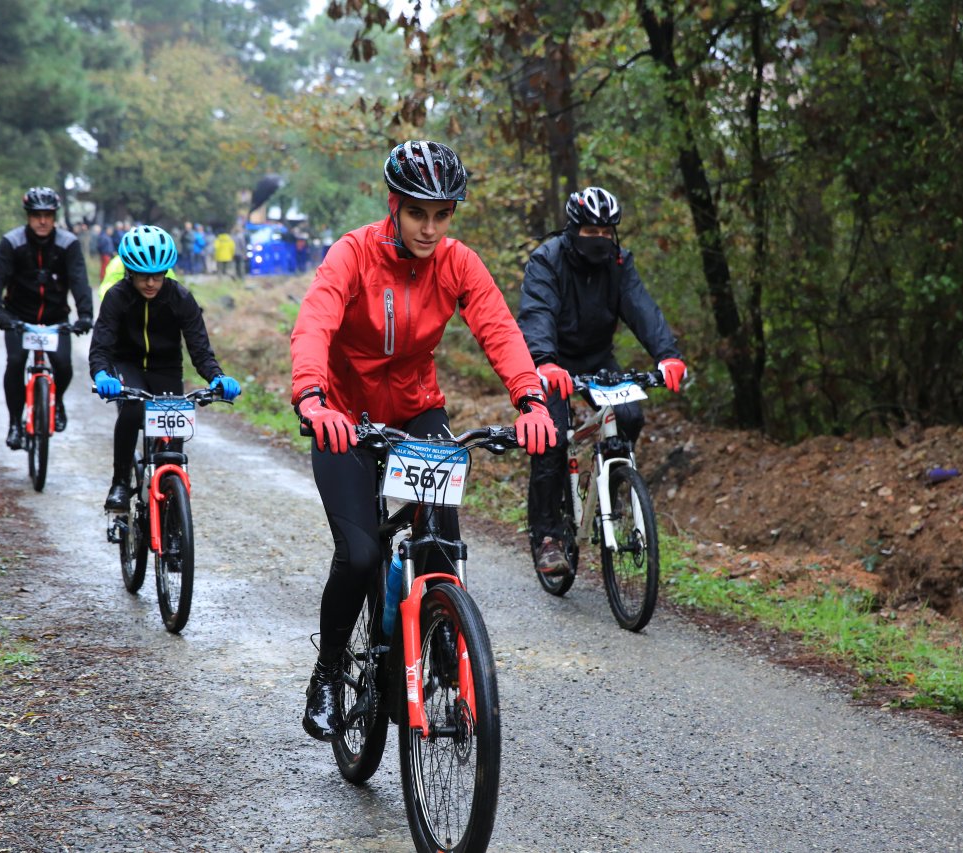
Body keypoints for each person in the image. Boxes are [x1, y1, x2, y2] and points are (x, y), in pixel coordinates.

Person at [289, 139, 558, 741]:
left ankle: (439, 640)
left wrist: (531, 399)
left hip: (416, 413)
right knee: (360, 555)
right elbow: (315, 322)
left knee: (440, 540)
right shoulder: (353, 253)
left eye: (442, 215)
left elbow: (499, 328)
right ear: (394, 206)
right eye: (417, 213)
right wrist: (312, 396)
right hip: (344, 418)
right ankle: (327, 673)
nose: (430, 228)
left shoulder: (458, 263)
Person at [516, 185, 687, 577]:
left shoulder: (619, 262)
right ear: (573, 230)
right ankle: (548, 536)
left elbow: (641, 307)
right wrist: (544, 362)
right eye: (591, 232)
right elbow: (538, 312)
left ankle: (609, 493)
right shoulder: (547, 260)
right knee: (551, 438)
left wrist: (667, 355)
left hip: (596, 358)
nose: (599, 239)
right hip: (551, 360)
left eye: (606, 232)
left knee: (629, 418)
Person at [89, 225, 241, 510]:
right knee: (133, 410)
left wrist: (217, 377)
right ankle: (120, 482)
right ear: (130, 272)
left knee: (173, 435)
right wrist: (102, 374)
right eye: (143, 276)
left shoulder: (180, 298)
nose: (151, 283)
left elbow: (200, 349)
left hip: (167, 368)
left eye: (157, 275)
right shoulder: (117, 297)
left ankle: (171, 499)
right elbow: (101, 346)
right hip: (128, 364)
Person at [0, 186, 94, 450]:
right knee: (15, 362)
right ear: (28, 216)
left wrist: (85, 315)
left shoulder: (68, 244)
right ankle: (14, 423)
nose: (42, 221)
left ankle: (57, 402)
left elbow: (79, 280)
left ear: (55, 216)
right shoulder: (12, 242)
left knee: (64, 366)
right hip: (18, 317)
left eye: (48, 215)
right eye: (36, 215)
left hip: (56, 318)